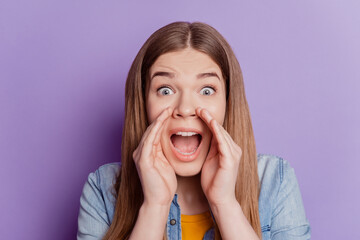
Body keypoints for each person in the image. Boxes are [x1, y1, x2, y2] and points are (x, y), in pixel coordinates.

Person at [77, 21, 311, 240]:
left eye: (207, 90)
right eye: (166, 90)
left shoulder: (275, 180)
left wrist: (224, 204)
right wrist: (155, 206)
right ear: (143, 102)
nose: (186, 108)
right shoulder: (103, 188)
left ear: (228, 102)